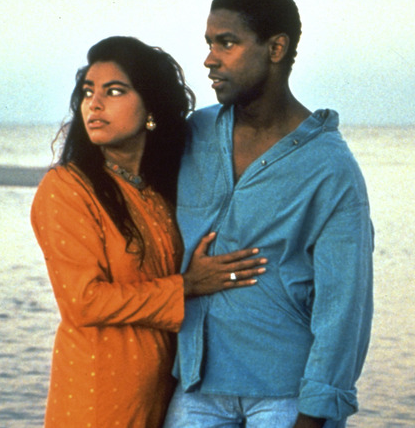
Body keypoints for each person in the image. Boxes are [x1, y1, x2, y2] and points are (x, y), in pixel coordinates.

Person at [31, 36, 265, 428]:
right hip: (96, 396)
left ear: (151, 107)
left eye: (114, 91)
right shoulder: (67, 189)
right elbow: (82, 302)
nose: (95, 104)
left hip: (163, 391)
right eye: (88, 93)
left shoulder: (160, 190)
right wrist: (186, 285)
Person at [165, 0, 374, 427]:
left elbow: (345, 305)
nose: (209, 59)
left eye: (226, 43)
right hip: (194, 389)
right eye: (208, 43)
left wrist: (315, 413)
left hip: (283, 397)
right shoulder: (195, 133)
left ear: (276, 48)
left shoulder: (330, 167)